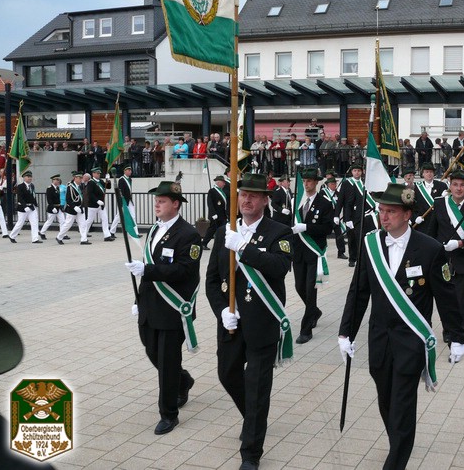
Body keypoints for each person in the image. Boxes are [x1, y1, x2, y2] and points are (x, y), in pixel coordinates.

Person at [338, 182, 464, 470]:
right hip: (380, 339)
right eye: (381, 210)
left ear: (407, 214)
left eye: (391, 211)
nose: (383, 217)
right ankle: (399, 440)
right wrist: (346, 332)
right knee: (386, 401)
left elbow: (447, 297)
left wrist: (457, 336)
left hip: (410, 342)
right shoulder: (371, 245)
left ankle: (396, 460)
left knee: (403, 405)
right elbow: (358, 292)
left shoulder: (430, 249)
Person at [204, 173, 291, 470]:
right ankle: (253, 417)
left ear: (265, 200)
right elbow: (212, 281)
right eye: (243, 194)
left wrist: (243, 247)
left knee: (257, 388)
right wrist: (221, 311)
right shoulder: (223, 232)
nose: (247, 200)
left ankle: (251, 453)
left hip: (262, 323)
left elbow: (279, 267)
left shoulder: (279, 232)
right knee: (227, 375)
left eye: (254, 195)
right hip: (231, 323)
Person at [124, 181, 202, 435]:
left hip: (172, 309)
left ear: (175, 204)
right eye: (156, 200)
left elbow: (184, 270)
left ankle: (168, 414)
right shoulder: (155, 229)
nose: (156, 205)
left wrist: (148, 270)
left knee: (167, 363)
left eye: (162, 201)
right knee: (152, 353)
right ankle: (184, 380)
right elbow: (148, 268)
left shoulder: (188, 234)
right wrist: (138, 300)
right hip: (149, 306)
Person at [428, 169, 464, 351]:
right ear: (450, 185)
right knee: (445, 300)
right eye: (455, 184)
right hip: (442, 261)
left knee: (460, 302)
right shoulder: (440, 204)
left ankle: (457, 335)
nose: (458, 188)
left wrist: (461, 243)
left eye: (462, 185)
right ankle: (448, 329)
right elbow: (431, 232)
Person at [290, 168, 333, 344]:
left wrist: (306, 227)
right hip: (298, 251)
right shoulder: (297, 202)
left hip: (314, 252)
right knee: (299, 287)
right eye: (304, 181)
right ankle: (314, 311)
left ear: (316, 182)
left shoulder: (325, 203)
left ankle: (306, 330)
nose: (306, 184)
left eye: (309, 181)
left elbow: (327, 228)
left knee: (310, 290)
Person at [341, 163, 377, 267]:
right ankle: (352, 259)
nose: (357, 173)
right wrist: (347, 218)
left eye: (359, 171)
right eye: (355, 171)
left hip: (368, 217)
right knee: (353, 239)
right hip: (355, 217)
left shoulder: (369, 185)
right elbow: (348, 203)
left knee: (364, 239)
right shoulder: (352, 185)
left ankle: (362, 259)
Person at [412, 162, 448, 235]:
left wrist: (445, 197)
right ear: (422, 174)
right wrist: (415, 218)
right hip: (422, 222)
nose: (429, 174)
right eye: (426, 172)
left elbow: (446, 205)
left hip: (437, 222)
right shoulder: (416, 187)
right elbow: (412, 206)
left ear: (434, 173)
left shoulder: (442, 186)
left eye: (431, 172)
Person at [9, 170, 42, 244]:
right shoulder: (20, 186)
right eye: (28, 176)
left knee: (34, 222)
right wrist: (24, 206)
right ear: (24, 178)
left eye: (31, 177)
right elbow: (20, 198)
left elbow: (33, 196)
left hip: (31, 207)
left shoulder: (32, 185)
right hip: (23, 207)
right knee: (20, 223)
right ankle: (12, 236)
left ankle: (35, 238)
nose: (30, 178)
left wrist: (35, 204)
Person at [57, 171, 90, 245]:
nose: (81, 179)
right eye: (79, 178)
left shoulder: (81, 186)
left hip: (80, 208)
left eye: (81, 178)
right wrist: (74, 207)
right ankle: (59, 237)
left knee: (83, 224)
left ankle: (84, 240)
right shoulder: (70, 187)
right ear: (75, 178)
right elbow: (68, 199)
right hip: (72, 209)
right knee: (68, 224)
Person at [321, 176, 347, 259]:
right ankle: (321, 251)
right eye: (332, 184)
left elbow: (340, 205)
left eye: (335, 184)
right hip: (325, 217)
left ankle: (341, 252)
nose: (334, 185)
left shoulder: (338, 194)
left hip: (335, 217)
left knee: (339, 235)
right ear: (328, 184)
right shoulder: (323, 192)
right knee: (322, 234)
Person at [85, 167, 114, 241]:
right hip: (93, 205)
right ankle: (84, 234)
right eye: (97, 173)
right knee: (89, 221)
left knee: (105, 219)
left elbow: (108, 187)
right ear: (93, 174)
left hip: (101, 205)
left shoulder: (100, 181)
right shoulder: (91, 182)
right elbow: (90, 194)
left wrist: (108, 180)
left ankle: (107, 236)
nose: (98, 175)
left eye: (99, 173)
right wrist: (97, 200)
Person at [202, 175, 229, 250]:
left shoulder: (222, 191)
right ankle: (204, 243)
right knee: (212, 230)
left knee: (224, 229)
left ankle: (222, 244)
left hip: (222, 215)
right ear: (219, 182)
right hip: (215, 215)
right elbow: (210, 203)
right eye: (223, 182)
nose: (224, 184)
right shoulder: (212, 191)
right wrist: (213, 214)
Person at [110, 164, 134, 237]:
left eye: (130, 170)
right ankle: (111, 231)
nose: (130, 171)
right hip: (124, 201)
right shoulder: (121, 179)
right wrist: (122, 201)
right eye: (128, 170)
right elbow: (120, 192)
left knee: (133, 215)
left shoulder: (130, 179)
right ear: (125, 171)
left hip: (129, 200)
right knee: (118, 216)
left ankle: (135, 232)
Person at [39, 174, 65, 240]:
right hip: (52, 207)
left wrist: (61, 206)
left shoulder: (57, 188)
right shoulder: (49, 188)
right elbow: (49, 199)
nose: (58, 181)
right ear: (53, 180)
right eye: (56, 180)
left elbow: (58, 198)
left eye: (58, 180)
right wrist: (53, 207)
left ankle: (62, 234)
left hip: (58, 207)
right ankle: (42, 232)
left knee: (62, 221)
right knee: (49, 221)